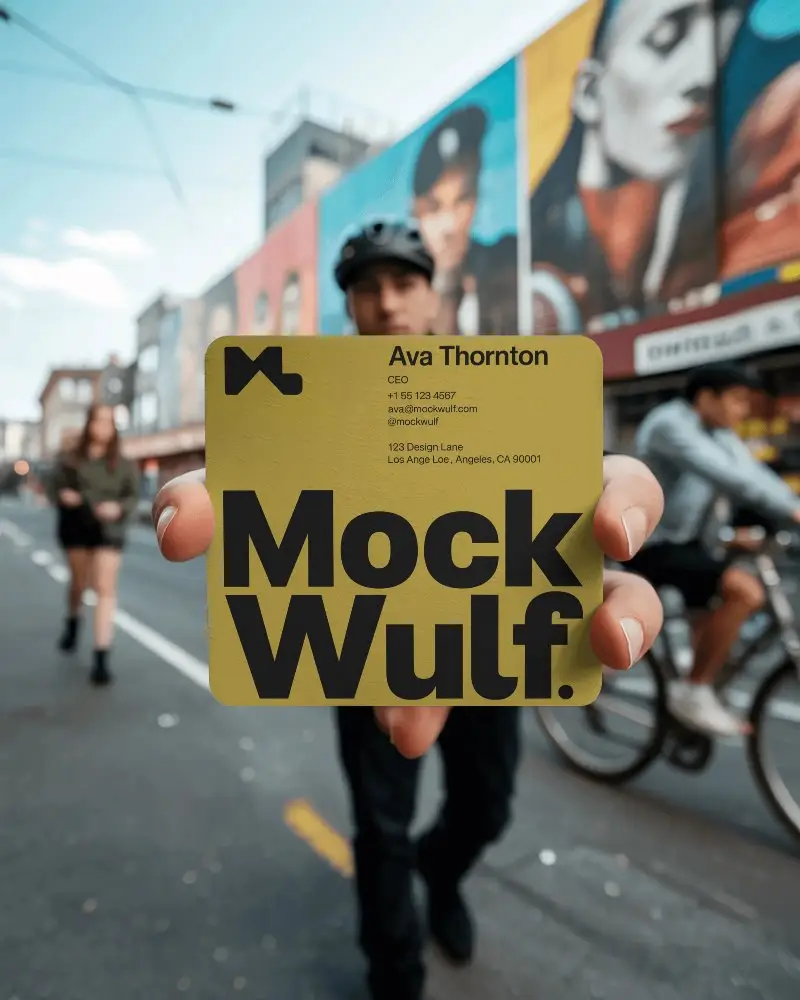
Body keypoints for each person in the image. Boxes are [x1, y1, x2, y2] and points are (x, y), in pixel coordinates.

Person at [150, 220, 665, 1000]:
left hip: (491, 645)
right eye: (367, 289)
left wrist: (591, 506)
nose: (387, 303)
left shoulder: (503, 391)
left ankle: (443, 874)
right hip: (365, 653)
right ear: (351, 308)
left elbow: (554, 488)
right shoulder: (308, 404)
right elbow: (261, 494)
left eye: (403, 284)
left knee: (487, 808)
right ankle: (393, 973)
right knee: (381, 826)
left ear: (433, 296)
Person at [628, 361, 800, 737]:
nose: (743, 410)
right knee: (745, 592)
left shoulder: (718, 432)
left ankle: (696, 686)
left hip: (692, 542)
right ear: (706, 397)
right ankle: (694, 691)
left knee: (715, 611)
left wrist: (790, 504)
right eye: (737, 400)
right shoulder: (669, 425)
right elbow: (730, 476)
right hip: (651, 543)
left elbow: (753, 472)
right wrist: (792, 511)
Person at [47, 403, 140, 686]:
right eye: (98, 420)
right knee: (79, 583)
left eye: (108, 421)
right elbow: (53, 486)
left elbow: (132, 497)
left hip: (108, 531)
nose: (103, 427)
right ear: (89, 424)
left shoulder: (123, 464)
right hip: (76, 526)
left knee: (104, 588)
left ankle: (101, 656)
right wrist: (64, 496)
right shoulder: (71, 459)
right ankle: (73, 620)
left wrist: (118, 508)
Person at [411, 106, 519, 336]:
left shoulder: (506, 263)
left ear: (477, 198)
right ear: (414, 212)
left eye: (462, 200)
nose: (450, 226)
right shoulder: (400, 296)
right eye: (434, 207)